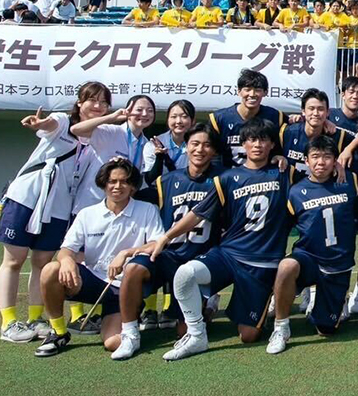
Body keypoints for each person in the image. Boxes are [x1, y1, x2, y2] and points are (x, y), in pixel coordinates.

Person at [149, 118, 293, 360]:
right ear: (243, 145)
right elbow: (198, 213)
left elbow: (317, 178)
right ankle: (197, 336)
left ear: (272, 145)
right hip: (229, 254)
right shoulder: (227, 178)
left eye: (263, 140)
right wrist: (166, 237)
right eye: (251, 140)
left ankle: (239, 310)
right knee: (185, 274)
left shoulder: (284, 174)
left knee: (248, 336)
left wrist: (340, 167)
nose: (257, 145)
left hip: (262, 263)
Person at [0, 83, 111, 344]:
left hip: (59, 208)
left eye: (103, 102)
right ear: (79, 103)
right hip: (28, 198)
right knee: (14, 261)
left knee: (42, 262)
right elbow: (49, 124)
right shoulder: (63, 121)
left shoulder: (98, 140)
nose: (97, 106)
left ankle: (35, 318)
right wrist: (39, 123)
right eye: (91, 100)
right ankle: (7, 321)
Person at [104, 125, 224, 360]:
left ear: (214, 151)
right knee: (135, 268)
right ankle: (130, 333)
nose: (200, 149)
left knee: (183, 330)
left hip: (201, 259)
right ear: (186, 147)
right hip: (168, 254)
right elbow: (131, 191)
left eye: (206, 145)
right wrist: (121, 167)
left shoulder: (222, 179)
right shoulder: (167, 181)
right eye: (195, 144)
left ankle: (209, 305)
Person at [34, 159, 164, 357]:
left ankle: (131, 313)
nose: (117, 186)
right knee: (51, 270)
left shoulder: (147, 210)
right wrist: (67, 260)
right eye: (112, 181)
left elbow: (156, 244)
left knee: (113, 343)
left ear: (132, 186)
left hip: (126, 287)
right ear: (104, 183)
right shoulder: (87, 214)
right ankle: (58, 332)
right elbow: (66, 249)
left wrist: (126, 253)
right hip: (95, 282)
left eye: (124, 182)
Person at [267, 135, 358, 354]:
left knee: (326, 329)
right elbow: (283, 227)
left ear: (335, 160)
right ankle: (281, 328)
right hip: (308, 258)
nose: (321, 162)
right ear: (306, 160)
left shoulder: (350, 182)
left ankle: (329, 306)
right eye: (316, 157)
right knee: (286, 267)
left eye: (327, 157)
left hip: (338, 264)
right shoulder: (295, 191)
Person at [209, 69, 285, 166]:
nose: (252, 94)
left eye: (257, 90)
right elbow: (212, 153)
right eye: (247, 89)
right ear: (239, 91)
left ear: (265, 92)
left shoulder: (275, 116)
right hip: (227, 176)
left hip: (261, 176)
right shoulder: (219, 119)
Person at [279, 89, 350, 176]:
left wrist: (348, 150)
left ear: (327, 112)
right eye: (311, 109)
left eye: (320, 109)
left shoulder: (338, 136)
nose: (315, 113)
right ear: (303, 111)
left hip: (323, 188)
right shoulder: (286, 132)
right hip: (291, 187)